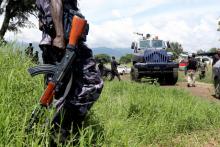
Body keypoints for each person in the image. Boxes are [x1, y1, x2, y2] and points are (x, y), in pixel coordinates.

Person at [35, 0, 103, 145]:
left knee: (60, 90)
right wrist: (59, 35)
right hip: (63, 40)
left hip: (58, 38)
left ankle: (55, 135)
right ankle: (59, 132)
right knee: (92, 82)